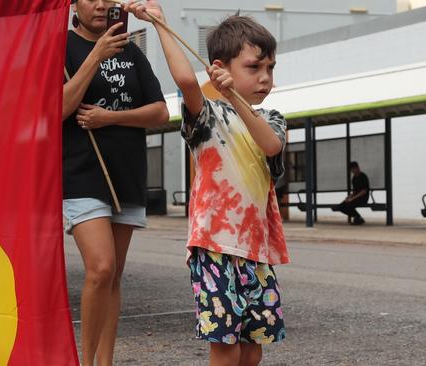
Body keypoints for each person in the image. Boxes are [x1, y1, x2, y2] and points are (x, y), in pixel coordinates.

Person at [125, 2, 289, 365]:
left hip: (257, 251)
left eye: (270, 68)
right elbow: (185, 81)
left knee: (253, 346)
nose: (265, 76)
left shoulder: (272, 119)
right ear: (220, 69)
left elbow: (270, 145)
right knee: (225, 345)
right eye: (254, 67)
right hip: (214, 245)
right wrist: (161, 25)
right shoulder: (207, 118)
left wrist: (233, 95)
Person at [62, 1, 169, 365]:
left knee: (114, 276)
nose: (102, 4)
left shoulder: (130, 50)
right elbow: (57, 108)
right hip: (81, 174)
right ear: (74, 3)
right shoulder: (60, 48)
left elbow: (160, 111)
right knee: (101, 267)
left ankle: (105, 361)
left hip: (125, 174)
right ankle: (85, 360)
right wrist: (96, 55)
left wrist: (110, 117)